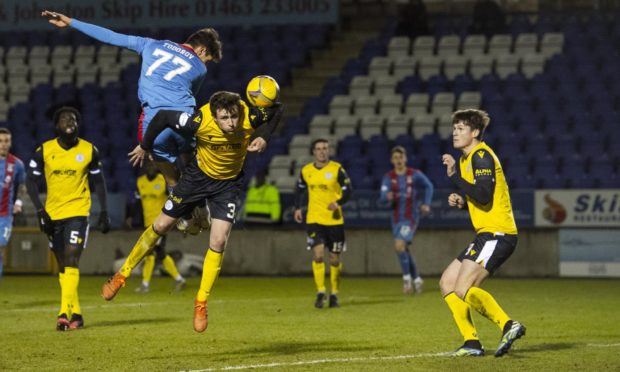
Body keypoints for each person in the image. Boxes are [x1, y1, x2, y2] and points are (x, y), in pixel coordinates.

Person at [101, 91, 283, 333]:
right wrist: (145, 146)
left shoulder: (249, 115)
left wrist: (265, 137)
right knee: (162, 225)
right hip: (196, 179)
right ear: (214, 116)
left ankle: (201, 302)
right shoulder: (198, 120)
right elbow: (164, 116)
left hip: (228, 185)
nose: (231, 122)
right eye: (225, 118)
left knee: (219, 239)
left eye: (234, 117)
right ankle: (121, 276)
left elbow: (277, 110)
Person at [41, 10, 222, 231]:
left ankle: (182, 214)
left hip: (153, 124)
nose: (205, 62)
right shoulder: (200, 67)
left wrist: (71, 22)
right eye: (207, 58)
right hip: (184, 118)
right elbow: (190, 95)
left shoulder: (150, 44)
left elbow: (110, 36)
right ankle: (202, 207)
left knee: (167, 171)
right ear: (202, 49)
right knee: (192, 157)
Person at [439, 109, 525, 357]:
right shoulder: (467, 159)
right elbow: (483, 199)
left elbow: (484, 194)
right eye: (454, 128)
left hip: (498, 233)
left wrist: (454, 177)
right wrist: (464, 202)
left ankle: (509, 325)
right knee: (447, 283)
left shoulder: (482, 157)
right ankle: (472, 343)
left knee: (463, 287)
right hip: (486, 234)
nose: (455, 133)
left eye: (461, 129)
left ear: (475, 132)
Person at [26, 106, 111, 331]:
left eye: (72, 118)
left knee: (72, 258)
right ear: (57, 125)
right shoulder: (43, 151)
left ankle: (64, 313)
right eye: (64, 119)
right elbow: (31, 182)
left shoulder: (89, 150)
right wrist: (40, 212)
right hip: (53, 215)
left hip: (78, 213)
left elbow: (99, 182)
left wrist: (103, 211)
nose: (69, 121)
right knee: (64, 266)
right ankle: (78, 314)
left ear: (78, 124)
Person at [294, 139, 352, 309]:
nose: (322, 151)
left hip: (334, 220)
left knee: (334, 259)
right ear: (313, 152)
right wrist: (297, 208)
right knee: (318, 255)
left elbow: (349, 190)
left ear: (328, 151)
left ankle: (334, 293)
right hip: (314, 219)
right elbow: (299, 189)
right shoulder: (306, 171)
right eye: (318, 149)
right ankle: (320, 291)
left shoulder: (337, 169)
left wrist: (338, 202)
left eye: (325, 148)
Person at [379, 146, 433, 295]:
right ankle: (417, 279)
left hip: (411, 217)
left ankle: (407, 280)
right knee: (403, 249)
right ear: (391, 160)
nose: (398, 160)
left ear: (405, 159)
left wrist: (427, 204)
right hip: (396, 218)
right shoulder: (388, 177)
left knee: (399, 246)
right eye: (395, 158)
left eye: (401, 157)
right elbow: (382, 198)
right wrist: (386, 197)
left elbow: (429, 186)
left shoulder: (414, 174)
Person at [127, 160, 186, 293]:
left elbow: (175, 198)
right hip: (147, 223)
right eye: (149, 165)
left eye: (154, 165)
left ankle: (145, 284)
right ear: (146, 167)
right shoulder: (140, 182)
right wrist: (130, 216)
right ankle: (179, 279)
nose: (151, 167)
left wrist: (178, 217)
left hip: (161, 222)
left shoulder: (163, 180)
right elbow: (136, 202)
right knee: (160, 253)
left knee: (150, 252)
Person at [0, 128, 27, 278]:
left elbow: (22, 187)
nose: (3, 144)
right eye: (0, 141)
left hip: (4, 215)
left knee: (0, 248)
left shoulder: (17, 164)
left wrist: (18, 203)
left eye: (6, 141)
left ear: (10, 143)